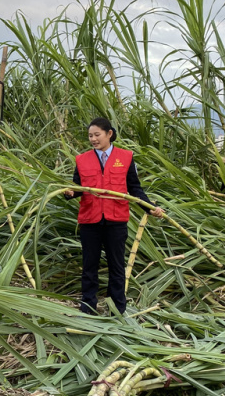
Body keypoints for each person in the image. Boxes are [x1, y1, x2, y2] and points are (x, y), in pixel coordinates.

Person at [65, 118, 163, 314]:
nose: (93, 139)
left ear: (109, 134)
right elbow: (78, 187)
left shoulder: (125, 157)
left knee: (116, 266)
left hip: (116, 220)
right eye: (90, 136)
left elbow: (135, 188)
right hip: (90, 220)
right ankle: (88, 306)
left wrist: (150, 207)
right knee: (89, 265)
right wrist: (70, 193)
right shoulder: (82, 160)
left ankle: (117, 308)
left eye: (97, 135)